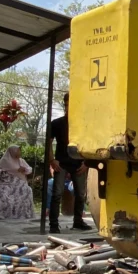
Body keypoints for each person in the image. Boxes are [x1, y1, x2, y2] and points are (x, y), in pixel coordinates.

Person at [48, 92, 90, 232]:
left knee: (80, 194)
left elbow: (90, 143)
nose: (68, 108)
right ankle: (53, 224)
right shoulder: (57, 123)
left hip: (78, 163)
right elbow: (48, 143)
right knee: (57, 193)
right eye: (66, 105)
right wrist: (52, 160)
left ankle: (78, 221)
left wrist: (86, 163)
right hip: (61, 163)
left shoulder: (83, 124)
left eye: (71, 105)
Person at [0, 146, 35, 220]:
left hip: (20, 182)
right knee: (3, 193)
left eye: (19, 151)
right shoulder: (5, 160)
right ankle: (1, 214)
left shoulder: (21, 161)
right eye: (18, 151)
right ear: (13, 151)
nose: (19, 153)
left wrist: (24, 169)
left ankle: (22, 214)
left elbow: (29, 169)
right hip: (6, 182)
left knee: (27, 190)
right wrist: (9, 173)